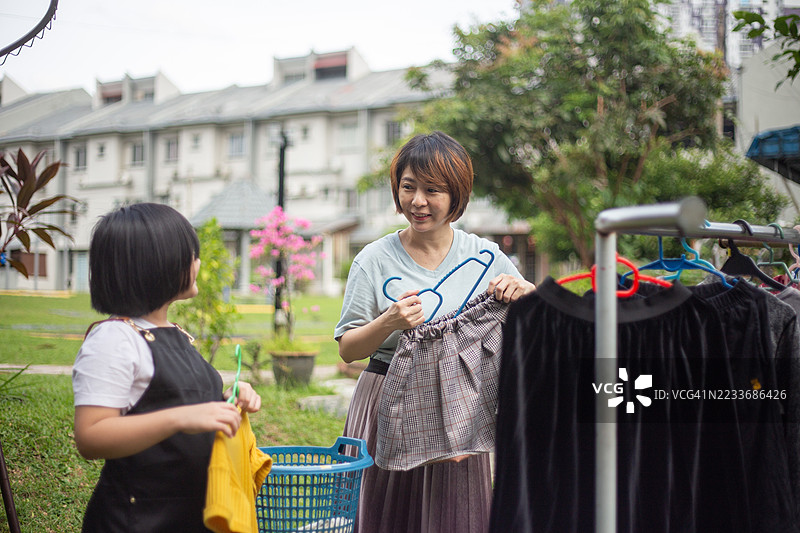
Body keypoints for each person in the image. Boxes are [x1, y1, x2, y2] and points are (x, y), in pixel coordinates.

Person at [335, 131, 536, 533]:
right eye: (408, 187)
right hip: (385, 400)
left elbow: (534, 320)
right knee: (384, 516)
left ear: (456, 195)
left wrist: (526, 292)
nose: (418, 201)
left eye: (433, 190)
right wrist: (389, 322)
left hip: (460, 409)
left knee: (453, 517)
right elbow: (348, 349)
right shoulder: (373, 260)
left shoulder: (484, 257)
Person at [72, 203, 262, 532]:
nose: (197, 263)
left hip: (190, 514)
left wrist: (228, 397)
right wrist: (179, 418)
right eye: (191, 255)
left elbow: (178, 401)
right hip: (138, 520)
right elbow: (91, 436)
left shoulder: (174, 333)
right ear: (157, 264)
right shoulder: (115, 338)